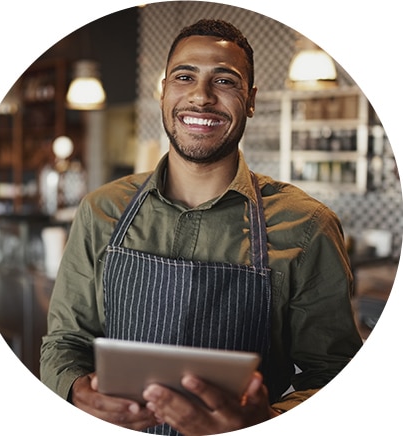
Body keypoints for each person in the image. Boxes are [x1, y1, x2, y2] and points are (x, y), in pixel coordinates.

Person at [40, 19, 363, 435]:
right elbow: (64, 343)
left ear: (250, 100)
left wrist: (269, 420)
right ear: (163, 91)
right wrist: (76, 393)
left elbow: (336, 376)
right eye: (184, 76)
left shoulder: (308, 226)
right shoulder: (101, 210)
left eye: (225, 80)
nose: (200, 96)